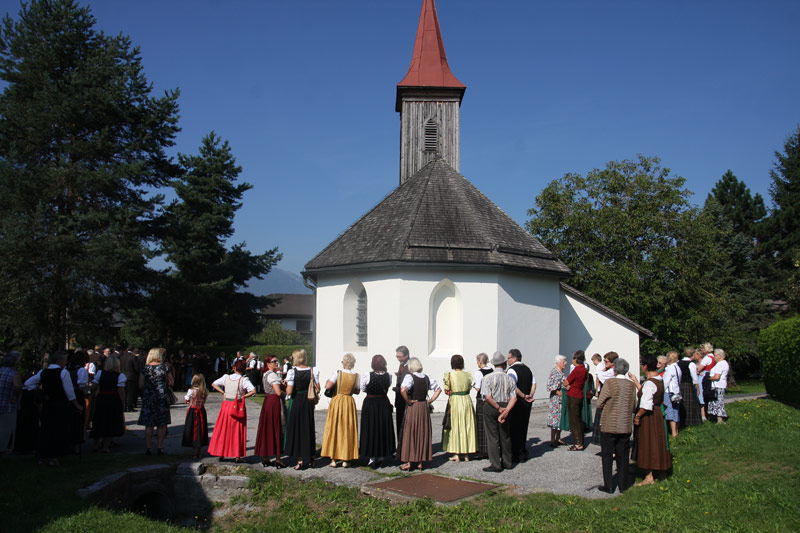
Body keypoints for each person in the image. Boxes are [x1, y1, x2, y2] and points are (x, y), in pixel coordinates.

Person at [25, 350, 84, 465]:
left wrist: (40, 392)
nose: (66, 362)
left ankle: (42, 455)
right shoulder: (63, 373)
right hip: (60, 404)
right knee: (58, 429)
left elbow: (28, 383)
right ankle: (54, 456)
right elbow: (69, 392)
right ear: (60, 360)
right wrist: (77, 405)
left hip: (48, 404)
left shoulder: (44, 372)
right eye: (65, 359)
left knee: (46, 428)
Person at [596, 357, 637, 494]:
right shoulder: (631, 385)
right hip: (625, 424)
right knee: (623, 456)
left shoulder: (610, 383)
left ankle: (608, 485)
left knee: (607, 455)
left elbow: (600, 403)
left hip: (609, 423)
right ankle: (623, 484)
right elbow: (634, 406)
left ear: (615, 370)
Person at [632, 355, 671, 486]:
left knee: (648, 442)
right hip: (658, 413)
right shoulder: (659, 379)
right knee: (658, 441)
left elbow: (646, 405)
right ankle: (662, 471)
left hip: (649, 416)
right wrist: (636, 381)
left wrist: (638, 416)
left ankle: (649, 476)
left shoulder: (650, 383)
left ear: (645, 367)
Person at [208, 359, 256, 462]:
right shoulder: (244, 380)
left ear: (234, 368)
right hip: (237, 405)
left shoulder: (226, 377)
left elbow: (214, 384)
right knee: (237, 430)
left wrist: (223, 392)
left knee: (223, 429)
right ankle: (237, 455)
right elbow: (253, 391)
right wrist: (243, 396)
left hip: (226, 405)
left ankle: (221, 453)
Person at [399, 357, 442, 471]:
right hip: (424, 407)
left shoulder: (410, 377)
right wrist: (430, 400)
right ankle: (420, 462)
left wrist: (408, 401)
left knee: (411, 431)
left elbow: (402, 390)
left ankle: (409, 462)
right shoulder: (427, 377)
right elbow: (438, 389)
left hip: (414, 406)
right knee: (422, 432)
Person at [481, 351, 518, 473]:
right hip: (506, 405)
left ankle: (496, 463)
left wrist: (498, 408)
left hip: (492, 406)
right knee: (505, 435)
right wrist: (506, 410)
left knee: (492, 436)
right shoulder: (509, 378)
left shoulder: (487, 378)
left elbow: (487, 397)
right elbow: (514, 397)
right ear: (504, 364)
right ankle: (507, 462)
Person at [321, 353, 360, 467]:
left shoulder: (338, 373)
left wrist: (327, 382)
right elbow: (357, 391)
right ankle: (345, 459)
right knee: (347, 428)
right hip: (348, 401)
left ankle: (333, 458)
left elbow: (328, 386)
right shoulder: (356, 376)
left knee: (335, 427)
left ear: (344, 362)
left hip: (337, 400)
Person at [284, 348, 320, 470]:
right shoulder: (312, 370)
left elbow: (289, 391)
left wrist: (285, 385)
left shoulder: (292, 372)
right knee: (308, 427)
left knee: (298, 429)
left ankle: (300, 460)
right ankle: (312, 457)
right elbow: (318, 387)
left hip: (298, 400)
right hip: (308, 401)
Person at [359, 354, 395, 468]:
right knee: (382, 429)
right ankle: (381, 458)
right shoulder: (389, 376)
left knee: (371, 429)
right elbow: (388, 386)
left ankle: (372, 459)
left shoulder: (367, 375)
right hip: (383, 403)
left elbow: (363, 388)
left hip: (371, 404)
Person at [137, 347, 173, 455]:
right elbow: (171, 382)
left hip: (149, 398)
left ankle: (148, 447)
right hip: (161, 397)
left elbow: (140, 385)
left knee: (149, 424)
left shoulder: (145, 369)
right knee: (161, 424)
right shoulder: (165, 368)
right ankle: (160, 447)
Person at [442, 354, 476, 462]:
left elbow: (447, 390)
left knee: (456, 426)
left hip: (455, 401)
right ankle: (466, 453)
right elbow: (469, 387)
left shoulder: (449, 375)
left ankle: (456, 453)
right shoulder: (468, 375)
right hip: (466, 400)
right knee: (466, 425)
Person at [90, 356, 126, 453]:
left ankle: (95, 445)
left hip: (102, 399)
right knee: (110, 423)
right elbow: (121, 392)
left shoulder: (100, 373)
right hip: (113, 400)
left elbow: (94, 386)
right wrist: (123, 403)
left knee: (99, 422)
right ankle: (106, 447)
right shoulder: (119, 376)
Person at [255, 356, 285, 468]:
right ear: (268, 364)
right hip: (274, 401)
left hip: (268, 401)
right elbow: (278, 392)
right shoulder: (272, 375)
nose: (276, 363)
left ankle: (266, 457)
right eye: (274, 361)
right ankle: (278, 459)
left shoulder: (266, 374)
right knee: (276, 427)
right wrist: (285, 394)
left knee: (267, 428)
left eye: (277, 361)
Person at [506, 348, 535, 462]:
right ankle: (522, 451)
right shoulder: (528, 369)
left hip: (517, 402)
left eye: (509, 358)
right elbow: (534, 383)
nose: (507, 360)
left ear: (514, 358)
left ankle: (515, 453)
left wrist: (523, 396)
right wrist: (530, 395)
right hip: (527, 402)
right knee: (523, 427)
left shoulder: (512, 370)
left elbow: (512, 385)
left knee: (514, 428)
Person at [564, 350, 589, 451]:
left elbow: (566, 382)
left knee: (574, 420)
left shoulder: (577, 369)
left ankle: (578, 443)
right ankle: (580, 441)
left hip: (573, 395)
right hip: (579, 394)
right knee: (578, 418)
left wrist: (567, 385)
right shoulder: (584, 369)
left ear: (576, 359)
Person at [592, 351, 618, 445]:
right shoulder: (611, 370)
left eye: (606, 361)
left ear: (612, 362)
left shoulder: (611, 372)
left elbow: (600, 375)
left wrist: (604, 369)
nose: (604, 363)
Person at [182, 373, 209, 459]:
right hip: (201, 411)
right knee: (200, 430)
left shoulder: (191, 391)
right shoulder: (204, 391)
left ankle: (194, 452)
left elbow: (186, 400)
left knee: (193, 430)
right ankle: (199, 452)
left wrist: (189, 400)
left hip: (193, 411)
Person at [0, 351, 22, 454]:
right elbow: (17, 385)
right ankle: (4, 449)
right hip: (8, 406)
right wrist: (15, 396)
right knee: (6, 429)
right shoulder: (14, 373)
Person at [472, 352, 493, 459]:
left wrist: (473, 386)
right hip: (491, 399)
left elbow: (478, 388)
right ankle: (490, 448)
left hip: (482, 399)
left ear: (480, 361)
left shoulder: (479, 372)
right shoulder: (492, 371)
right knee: (490, 424)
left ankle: (482, 450)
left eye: (477, 361)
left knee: (481, 424)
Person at [393, 345, 411, 458]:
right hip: (399, 399)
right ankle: (400, 448)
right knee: (399, 424)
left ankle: (405, 450)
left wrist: (399, 389)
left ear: (406, 355)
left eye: (400, 357)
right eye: (397, 357)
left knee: (406, 426)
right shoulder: (402, 365)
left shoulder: (411, 366)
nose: (398, 359)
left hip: (406, 399)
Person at [546, 354, 567, 447]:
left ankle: (558, 438)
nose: (565, 363)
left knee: (560, 419)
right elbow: (550, 386)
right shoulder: (555, 372)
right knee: (555, 419)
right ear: (558, 363)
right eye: (564, 362)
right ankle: (552, 440)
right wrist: (559, 393)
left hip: (561, 400)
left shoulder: (561, 372)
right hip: (556, 400)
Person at [677, 347, 702, 427]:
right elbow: (694, 378)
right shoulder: (691, 364)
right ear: (692, 354)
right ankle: (691, 421)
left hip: (680, 384)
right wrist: (697, 388)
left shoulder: (678, 362)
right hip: (688, 384)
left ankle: (681, 421)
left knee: (681, 403)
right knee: (690, 403)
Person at [662, 351, 682, 437]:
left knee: (670, 412)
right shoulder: (677, 367)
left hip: (669, 392)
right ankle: (676, 431)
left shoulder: (670, 368)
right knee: (675, 411)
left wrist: (661, 390)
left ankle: (673, 432)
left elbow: (666, 382)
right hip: (676, 392)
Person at [707, 349, 730, 424]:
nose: (714, 357)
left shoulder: (720, 364)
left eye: (715, 355)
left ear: (720, 356)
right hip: (720, 385)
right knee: (717, 402)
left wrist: (708, 378)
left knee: (718, 402)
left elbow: (717, 377)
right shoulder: (723, 363)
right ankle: (717, 419)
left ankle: (720, 420)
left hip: (718, 385)